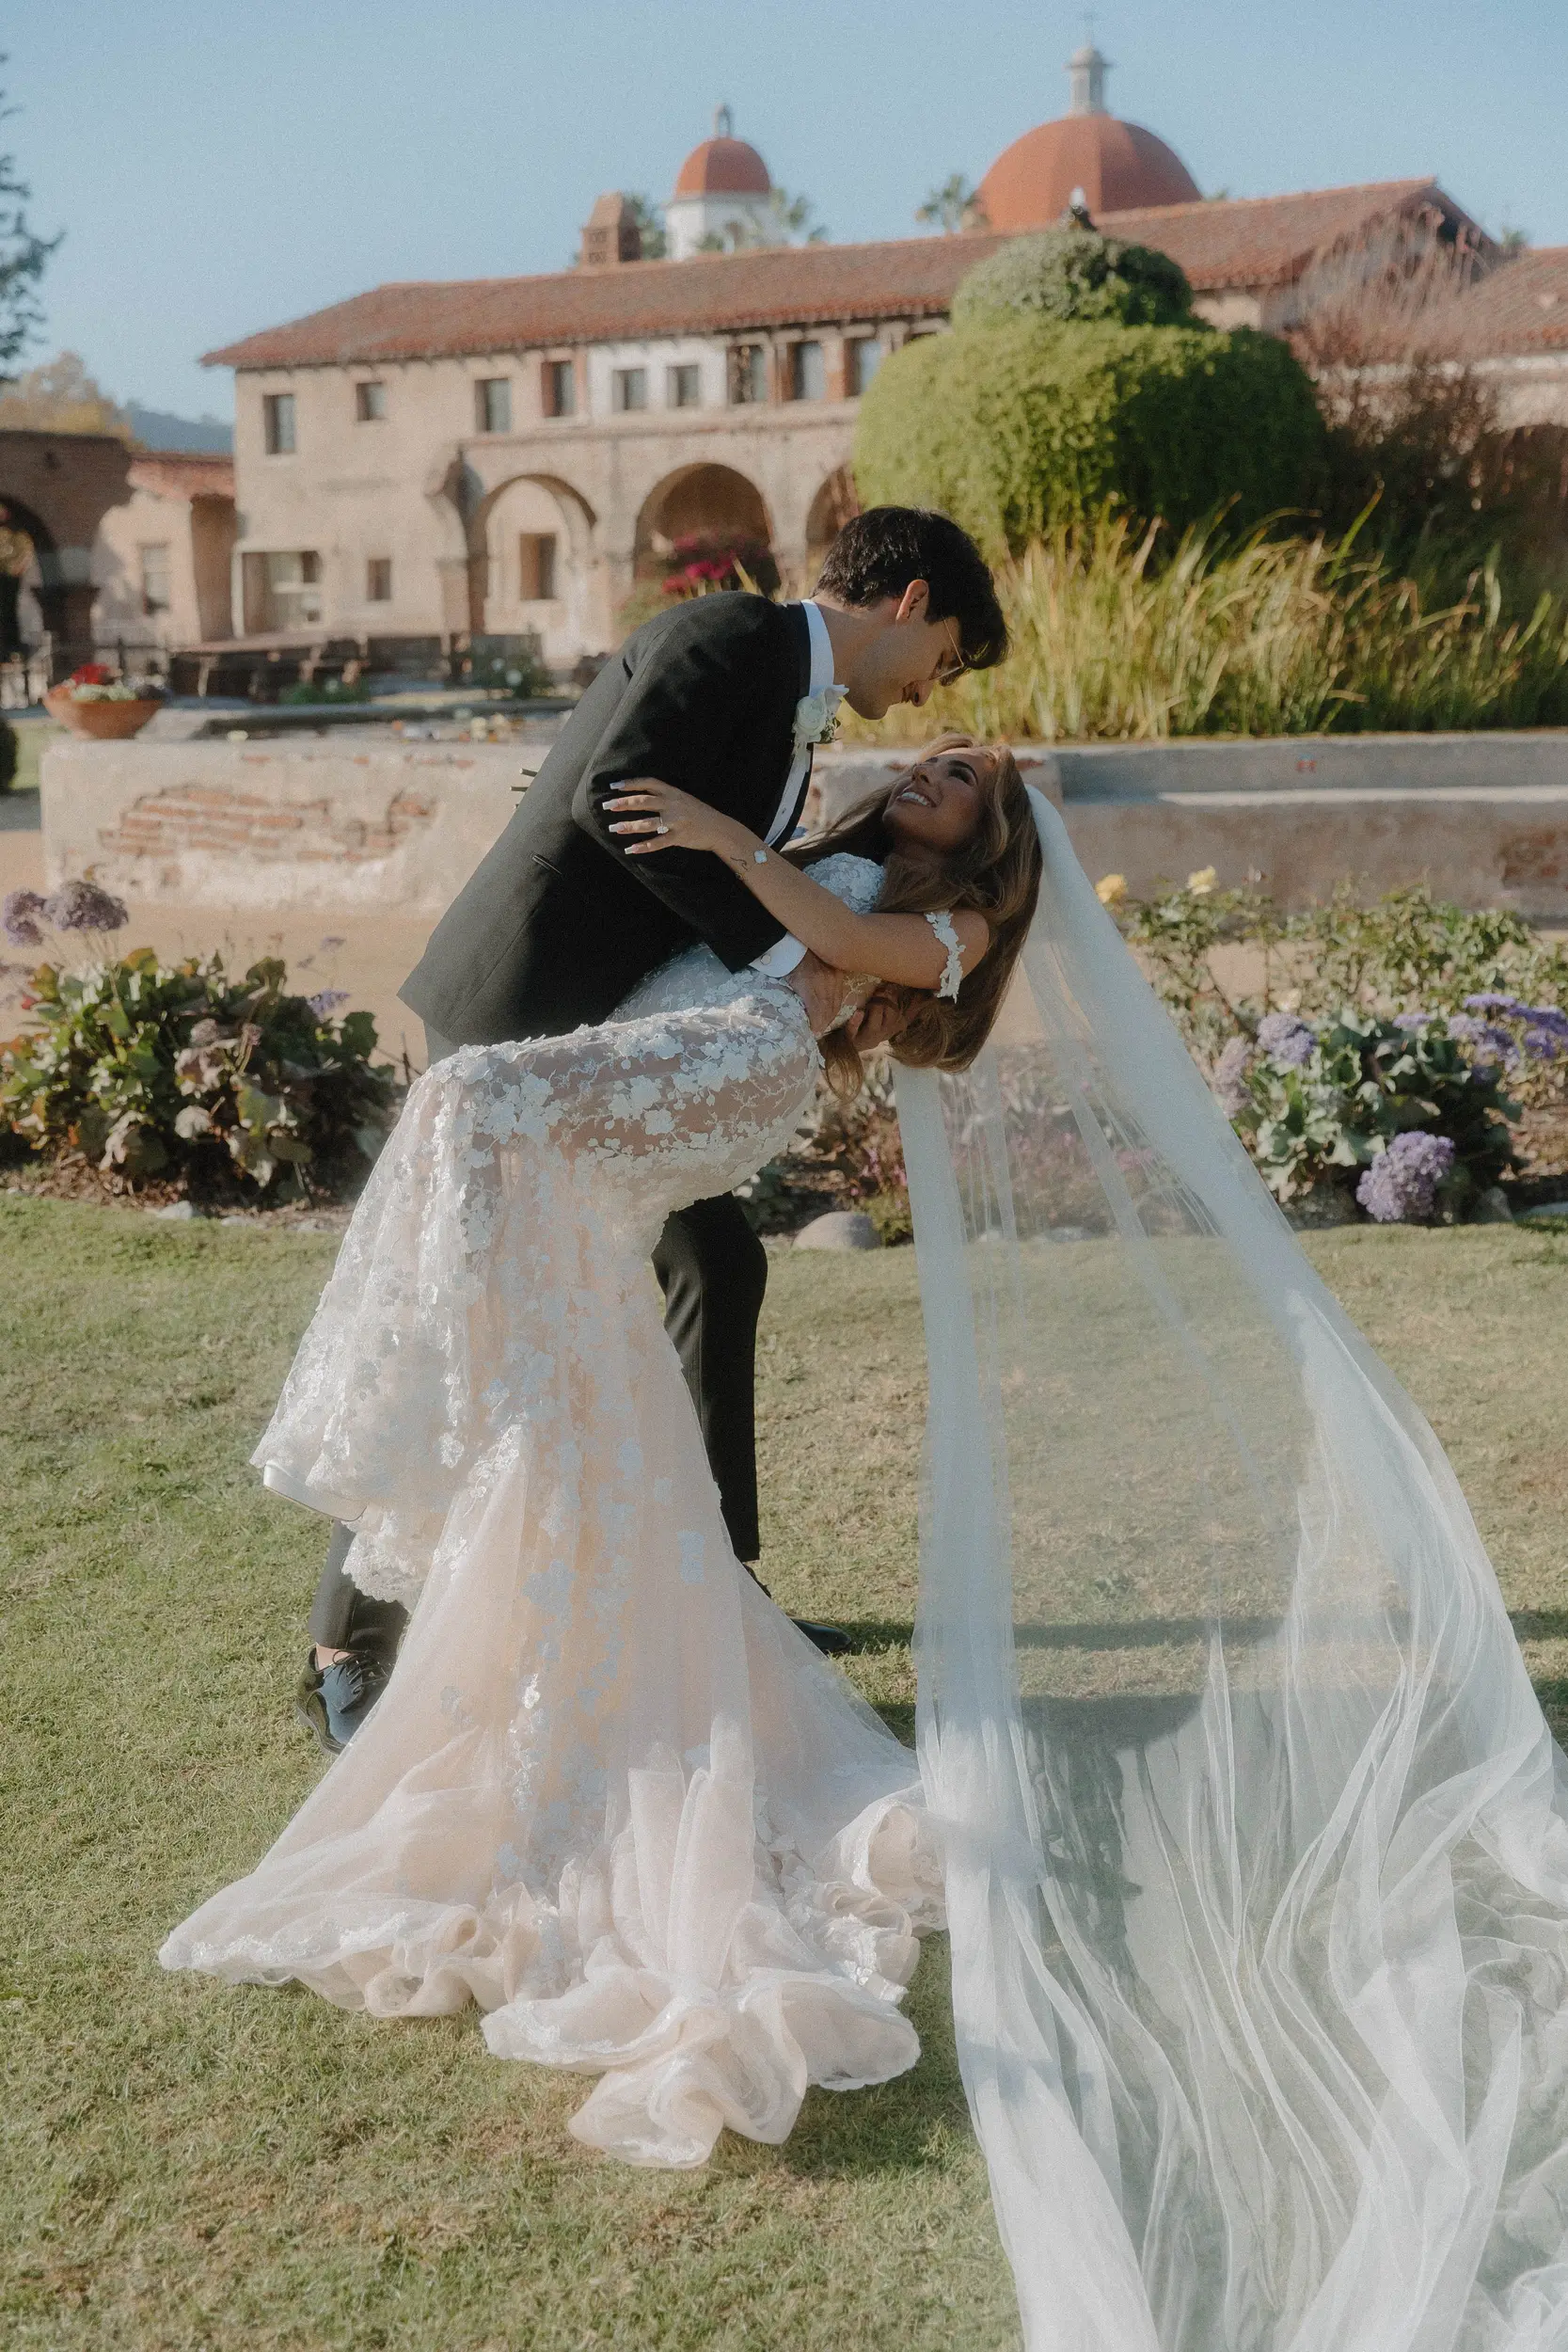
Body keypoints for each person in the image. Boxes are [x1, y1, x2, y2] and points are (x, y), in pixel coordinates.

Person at [161, 742, 1044, 2171]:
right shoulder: (833, 838)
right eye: (937, 757)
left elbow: (821, 939)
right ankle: (482, 1414)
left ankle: (413, 1392)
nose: (935, 769)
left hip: (750, 1059)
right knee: (554, 1276)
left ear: (993, 840)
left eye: (965, 780)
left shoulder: (959, 922)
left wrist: (713, 828)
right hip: (718, 1038)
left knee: (465, 1105)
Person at [294, 507, 1008, 1751]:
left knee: (713, 1264)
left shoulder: (785, 689)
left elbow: (680, 829)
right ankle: (345, 1645)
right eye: (944, 655)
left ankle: (717, 1593)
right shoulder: (732, 635)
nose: (930, 688)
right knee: (459, 1308)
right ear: (908, 601)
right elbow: (620, 798)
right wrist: (793, 963)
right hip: (525, 1019)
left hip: (617, 1037)